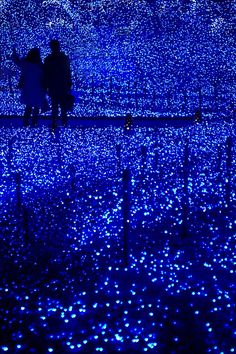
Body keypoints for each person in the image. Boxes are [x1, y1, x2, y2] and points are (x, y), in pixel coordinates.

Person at [12, 47, 45, 127]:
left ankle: (27, 122)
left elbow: (17, 61)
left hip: (29, 87)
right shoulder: (40, 66)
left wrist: (14, 53)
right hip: (37, 88)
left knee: (29, 105)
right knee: (35, 106)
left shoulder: (26, 64)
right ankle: (33, 122)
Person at [44, 39, 72, 128]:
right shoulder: (64, 58)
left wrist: (47, 85)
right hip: (62, 85)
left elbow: (46, 73)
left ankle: (54, 122)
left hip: (53, 85)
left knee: (55, 105)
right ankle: (63, 121)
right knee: (63, 105)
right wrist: (69, 83)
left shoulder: (48, 59)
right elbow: (68, 71)